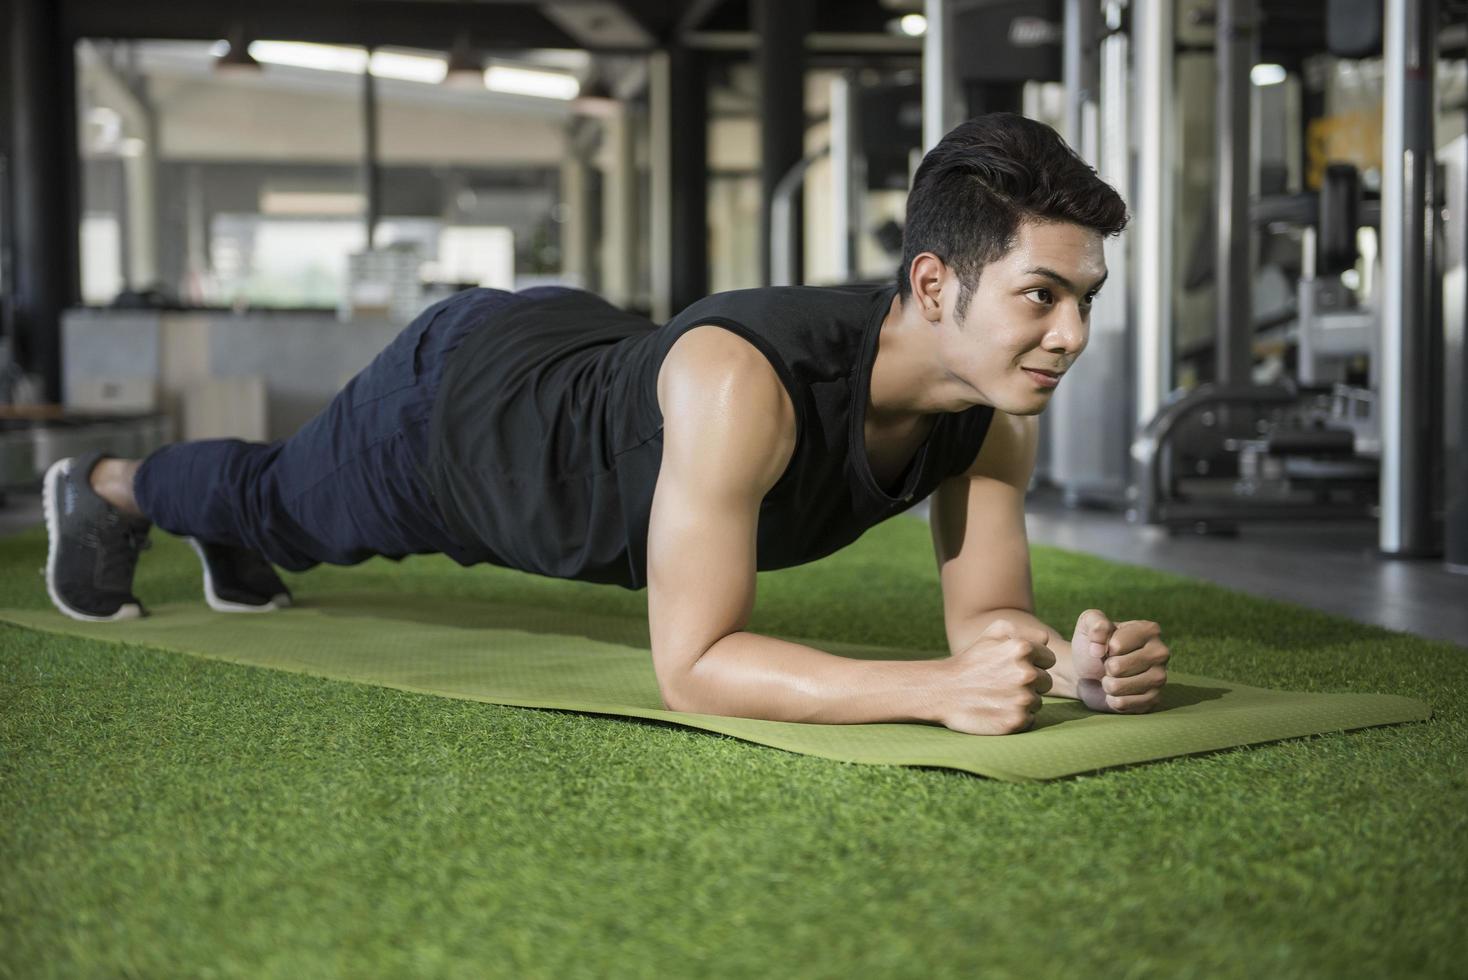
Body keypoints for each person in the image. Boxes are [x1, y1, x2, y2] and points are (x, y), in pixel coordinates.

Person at [43, 113, 1170, 736]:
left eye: (1085, 300)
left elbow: (992, 618)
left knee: (283, 511)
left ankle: (234, 535)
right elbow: (694, 666)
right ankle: (105, 488)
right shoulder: (749, 386)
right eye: (1041, 295)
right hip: (464, 411)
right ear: (934, 285)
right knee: (283, 501)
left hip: (581, 350)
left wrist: (1068, 666)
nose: (1070, 335)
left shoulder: (990, 411)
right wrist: (929, 690)